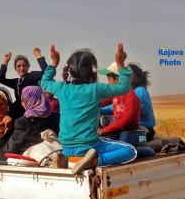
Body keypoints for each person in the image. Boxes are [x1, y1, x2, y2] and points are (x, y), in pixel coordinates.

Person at [40, 44, 137, 174]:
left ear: (70, 69)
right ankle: (95, 161)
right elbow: (124, 87)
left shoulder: (61, 88)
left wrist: (53, 63)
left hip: (66, 147)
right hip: (88, 146)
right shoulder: (96, 89)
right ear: (93, 70)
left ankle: (64, 158)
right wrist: (120, 63)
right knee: (130, 151)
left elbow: (44, 82)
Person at [0, 47, 47, 119]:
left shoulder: (32, 76)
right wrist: (5, 62)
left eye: (24, 66)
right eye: (18, 66)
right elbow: (1, 79)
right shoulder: (16, 82)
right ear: (15, 68)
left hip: (31, 111)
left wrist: (38, 55)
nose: (22, 68)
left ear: (28, 67)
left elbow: (46, 72)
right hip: (17, 112)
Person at [98, 62, 141, 139]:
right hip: (118, 123)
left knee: (124, 138)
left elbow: (125, 120)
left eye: (109, 80)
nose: (108, 83)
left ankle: (147, 147)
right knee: (101, 120)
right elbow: (102, 101)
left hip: (128, 127)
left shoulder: (130, 96)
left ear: (117, 80)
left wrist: (104, 130)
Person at [128, 63, 156, 141]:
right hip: (138, 128)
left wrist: (128, 108)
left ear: (136, 76)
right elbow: (115, 106)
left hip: (145, 131)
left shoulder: (140, 90)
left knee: (127, 139)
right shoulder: (129, 92)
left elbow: (145, 110)